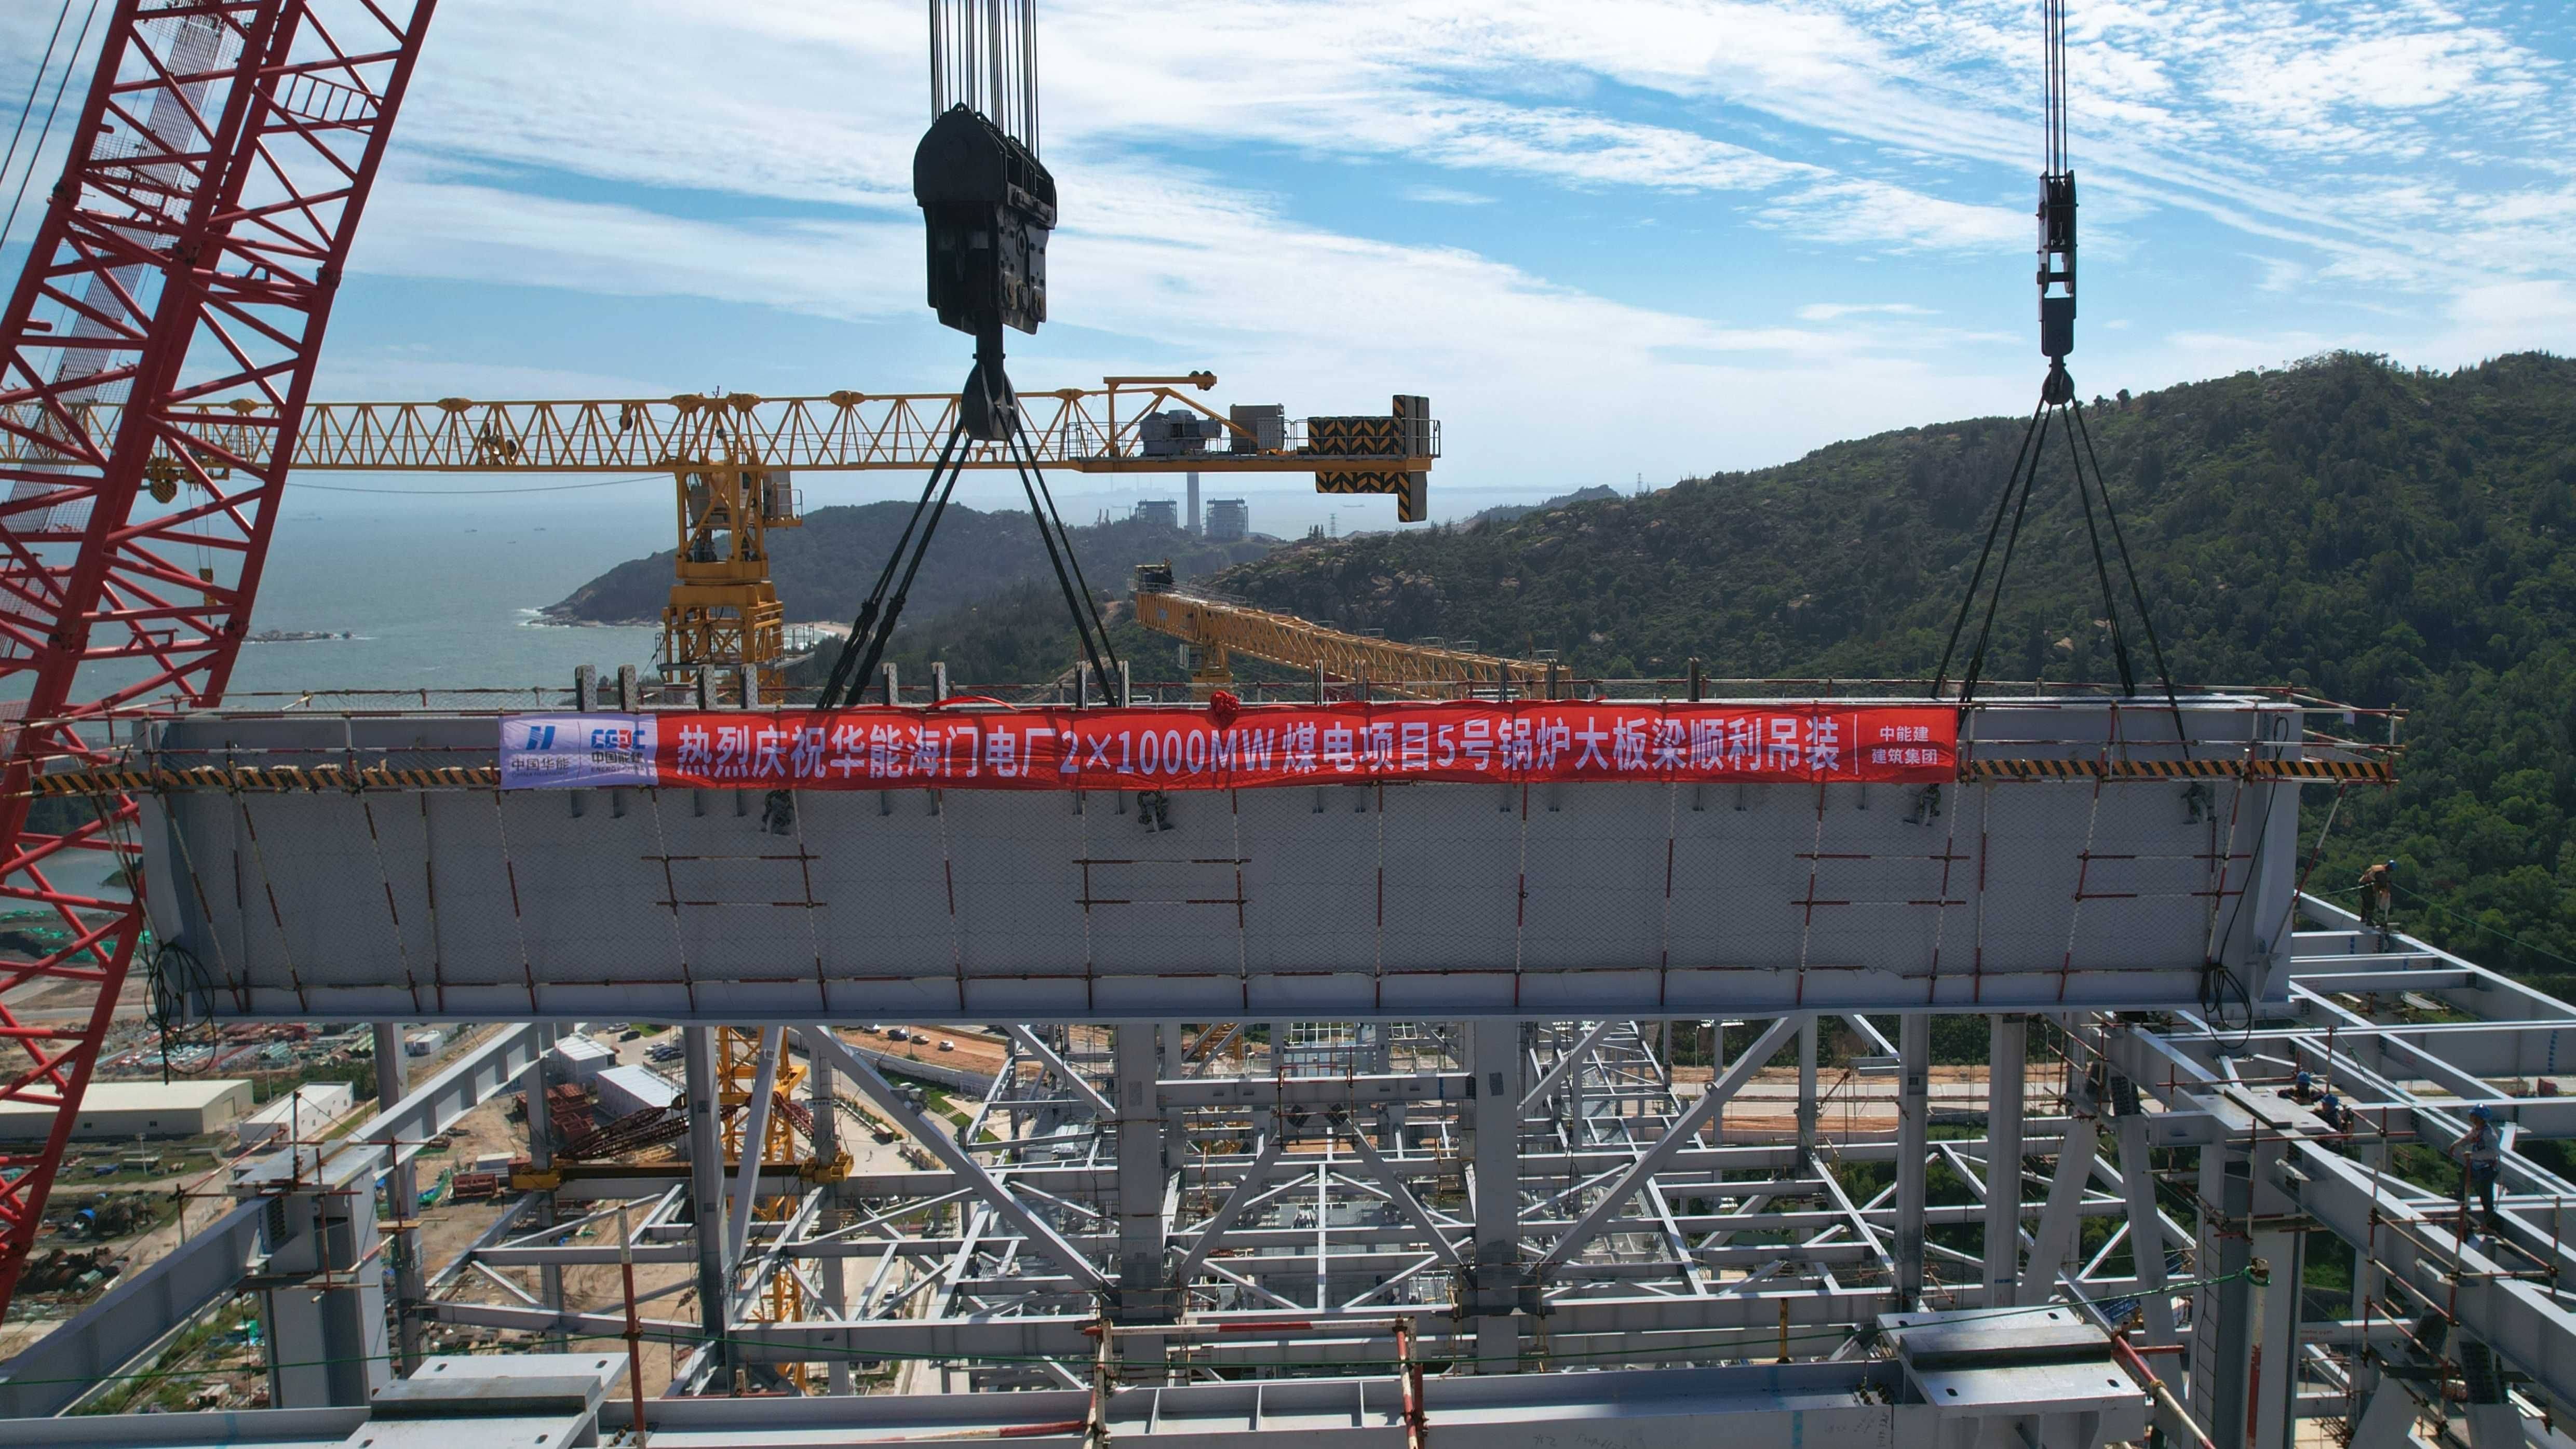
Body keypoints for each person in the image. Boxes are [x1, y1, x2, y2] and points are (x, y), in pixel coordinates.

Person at [2454, 1105, 2505, 1234]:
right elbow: (2471, 1136)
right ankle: (2463, 1200)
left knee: (2486, 1196)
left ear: (2480, 1118)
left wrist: (2473, 1155)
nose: (2471, 1117)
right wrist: (2458, 1143)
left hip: (2488, 1169)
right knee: (2464, 1175)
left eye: (2473, 1115)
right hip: (2479, 1165)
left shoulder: (2489, 1135)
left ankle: (2492, 1224)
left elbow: (2492, 1153)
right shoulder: (2479, 1129)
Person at [2359, 860, 2397, 935]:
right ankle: (2369, 921)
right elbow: (2383, 885)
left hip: (2362, 883)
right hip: (2367, 886)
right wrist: (2386, 887)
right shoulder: (2383, 873)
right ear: (2390, 868)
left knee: (2366, 901)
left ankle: (2363, 918)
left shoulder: (2380, 867)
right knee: (2371, 902)